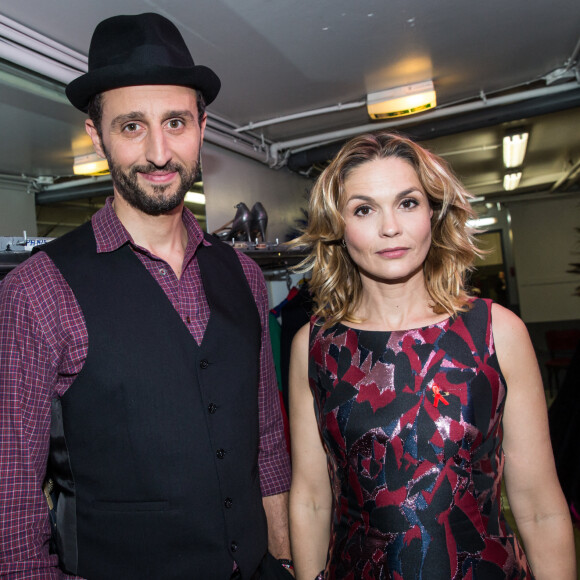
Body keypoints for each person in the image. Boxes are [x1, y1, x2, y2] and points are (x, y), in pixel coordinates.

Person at [0, 12, 293, 579]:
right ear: (96, 134)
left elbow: (268, 448)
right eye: (133, 126)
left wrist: (280, 559)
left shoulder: (245, 275)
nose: (160, 153)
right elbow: (11, 510)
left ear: (203, 126)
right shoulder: (35, 291)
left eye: (176, 122)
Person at [288, 131, 575, 579]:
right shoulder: (316, 345)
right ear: (338, 228)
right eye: (364, 209)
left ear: (433, 214)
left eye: (407, 203)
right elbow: (310, 497)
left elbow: (540, 507)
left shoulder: (496, 331)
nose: (390, 227)